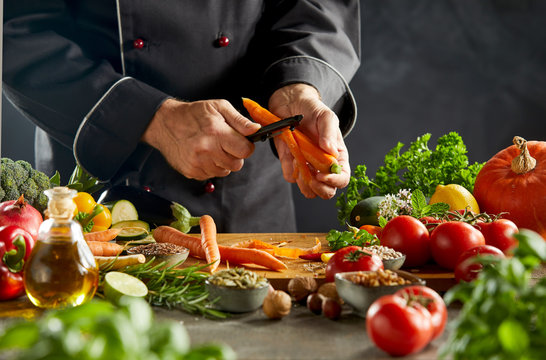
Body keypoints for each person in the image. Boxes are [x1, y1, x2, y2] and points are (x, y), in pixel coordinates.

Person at [3, 1, 361, 232]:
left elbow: (317, 8)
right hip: (95, 193)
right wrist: (151, 118)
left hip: (245, 201)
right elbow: (17, 31)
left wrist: (299, 86)